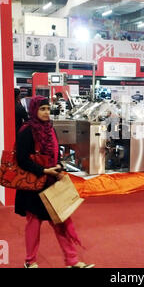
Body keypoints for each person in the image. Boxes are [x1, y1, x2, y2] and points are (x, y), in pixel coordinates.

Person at [15, 96, 94, 268]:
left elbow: (56, 153)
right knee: (34, 224)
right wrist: (43, 170)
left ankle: (72, 261)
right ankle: (30, 261)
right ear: (34, 110)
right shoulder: (26, 130)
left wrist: (58, 166)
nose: (46, 113)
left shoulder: (50, 129)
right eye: (42, 109)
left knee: (61, 222)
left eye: (48, 109)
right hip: (33, 186)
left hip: (51, 182)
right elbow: (21, 159)